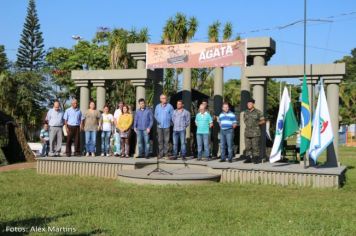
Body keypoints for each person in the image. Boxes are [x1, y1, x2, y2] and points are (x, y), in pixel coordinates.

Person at [243, 98, 265, 164]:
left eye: (250, 103)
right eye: (248, 104)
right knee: (247, 146)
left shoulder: (258, 112)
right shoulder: (245, 112)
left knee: (255, 146)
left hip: (255, 132)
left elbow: (263, 121)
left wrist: (257, 124)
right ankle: (248, 158)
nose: (249, 105)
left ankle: (256, 159)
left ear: (253, 104)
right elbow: (245, 120)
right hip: (247, 132)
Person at [154, 94, 174, 159]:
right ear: (160, 99)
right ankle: (160, 153)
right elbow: (155, 115)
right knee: (160, 140)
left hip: (167, 125)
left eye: (165, 98)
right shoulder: (157, 106)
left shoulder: (170, 106)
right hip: (159, 126)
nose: (164, 99)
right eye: (162, 98)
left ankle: (166, 153)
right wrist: (158, 120)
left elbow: (173, 115)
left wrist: (171, 122)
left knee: (166, 140)